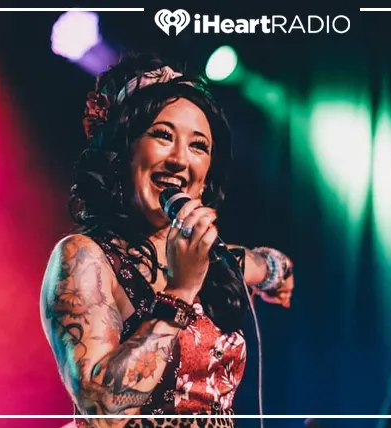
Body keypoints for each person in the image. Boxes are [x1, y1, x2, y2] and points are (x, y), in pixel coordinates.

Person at [40, 52, 294, 428]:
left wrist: (275, 273)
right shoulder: (85, 258)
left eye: (198, 146)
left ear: (206, 177)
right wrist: (181, 291)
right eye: (162, 135)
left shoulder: (213, 259)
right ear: (124, 152)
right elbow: (103, 412)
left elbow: (272, 265)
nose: (179, 160)